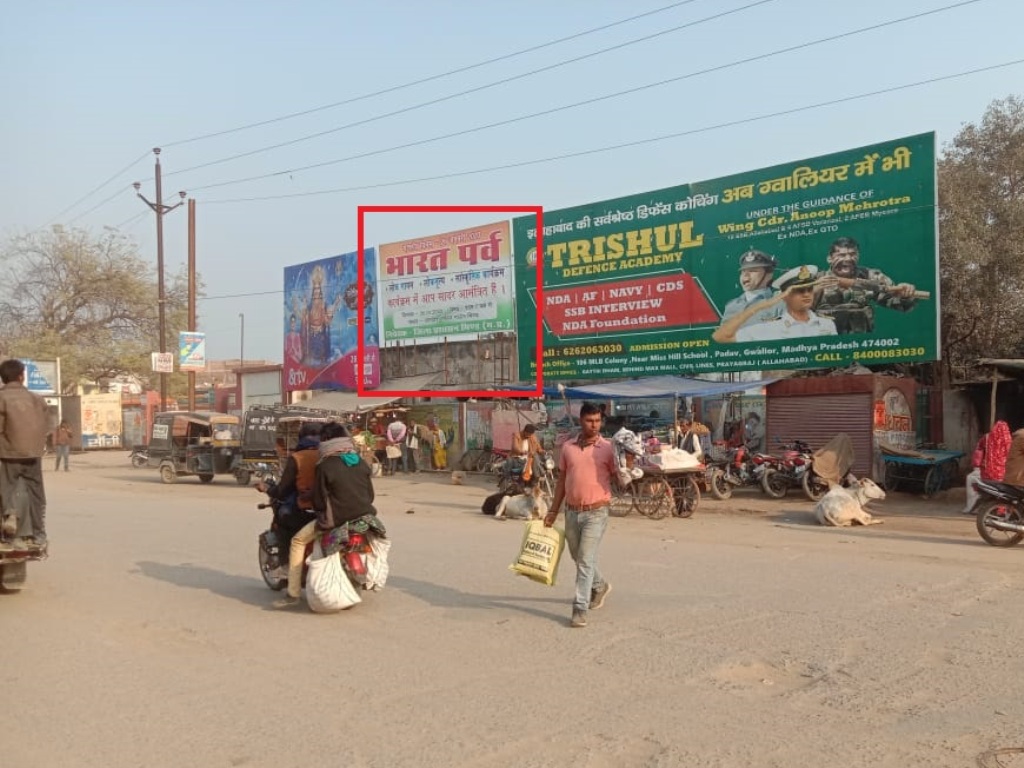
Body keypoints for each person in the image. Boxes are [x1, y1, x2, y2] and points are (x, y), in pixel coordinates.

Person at [274, 421, 377, 609]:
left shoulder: (325, 464)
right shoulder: (359, 461)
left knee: (297, 541)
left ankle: (293, 594)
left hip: (337, 518)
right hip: (364, 516)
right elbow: (370, 495)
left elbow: (320, 500)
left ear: (327, 440)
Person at [543, 402, 619, 629]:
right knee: (577, 556)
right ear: (581, 420)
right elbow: (562, 483)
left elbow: (621, 477)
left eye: (597, 421)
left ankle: (579, 609)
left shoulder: (608, 448)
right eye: (589, 420)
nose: (594, 425)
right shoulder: (568, 448)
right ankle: (600, 584)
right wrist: (553, 510)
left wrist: (629, 467)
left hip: (597, 511)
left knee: (585, 560)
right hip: (572, 512)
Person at [813, 236, 920, 334]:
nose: (848, 258)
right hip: (825, 344)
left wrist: (905, 296)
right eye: (841, 255)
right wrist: (815, 291)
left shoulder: (870, 276)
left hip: (862, 343)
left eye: (852, 254)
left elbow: (897, 303)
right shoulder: (817, 279)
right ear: (829, 259)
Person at [712, 265, 838, 343]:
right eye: (799, 291)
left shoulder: (827, 324)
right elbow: (720, 337)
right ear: (784, 296)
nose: (806, 294)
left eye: (809, 289)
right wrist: (765, 305)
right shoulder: (768, 329)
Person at [0, 359, 50, 548]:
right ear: (21, 376)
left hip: (9, 454)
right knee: (37, 495)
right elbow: (48, 425)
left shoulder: (1, 398)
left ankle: (9, 515)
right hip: (34, 454)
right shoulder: (37, 398)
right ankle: (39, 534)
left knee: (6, 487)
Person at [255, 422, 321, 542]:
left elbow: (283, 490)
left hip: (306, 509)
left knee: (284, 519)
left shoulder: (298, 457)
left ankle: (285, 557)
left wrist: (267, 489)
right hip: (333, 510)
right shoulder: (332, 456)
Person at [721, 250, 784, 327]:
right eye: (743, 271)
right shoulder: (731, 306)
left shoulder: (780, 302)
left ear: (769, 274)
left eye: (753, 271)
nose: (746, 275)